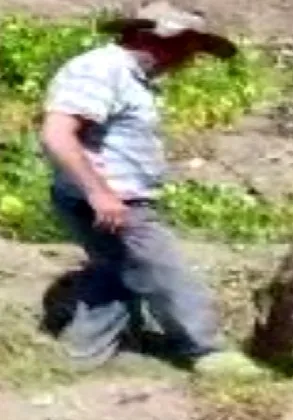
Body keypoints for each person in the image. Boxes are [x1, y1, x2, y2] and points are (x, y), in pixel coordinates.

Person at [39, 0, 263, 376]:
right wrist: (100, 193)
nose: (189, 59)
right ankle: (206, 351)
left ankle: (81, 357)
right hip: (109, 200)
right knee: (167, 270)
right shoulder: (100, 69)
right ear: (155, 38)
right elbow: (57, 135)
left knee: (115, 271)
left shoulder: (129, 77)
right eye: (187, 46)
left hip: (107, 197)